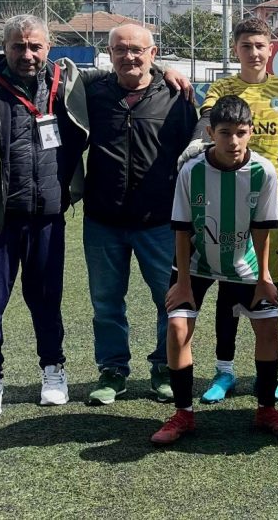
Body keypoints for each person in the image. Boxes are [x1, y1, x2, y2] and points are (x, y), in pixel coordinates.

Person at [0, 15, 89, 416]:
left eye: (35, 46)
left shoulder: (67, 81)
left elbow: (126, 66)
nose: (27, 54)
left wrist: (166, 68)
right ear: (4, 48)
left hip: (47, 217)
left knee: (47, 300)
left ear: (48, 48)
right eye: (18, 46)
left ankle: (52, 368)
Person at [151, 95, 278, 445]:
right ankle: (183, 413)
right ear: (209, 132)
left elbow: (264, 229)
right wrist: (183, 281)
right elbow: (182, 229)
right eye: (225, 132)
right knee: (177, 325)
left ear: (250, 133)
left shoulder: (263, 171)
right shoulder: (192, 170)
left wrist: (264, 278)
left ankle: (265, 408)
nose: (233, 141)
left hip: (243, 261)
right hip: (197, 261)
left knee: (267, 327)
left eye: (241, 132)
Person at [189, 17, 278, 405]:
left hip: (274, 199)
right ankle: (224, 371)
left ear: (271, 48)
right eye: (246, 46)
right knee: (228, 284)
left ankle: (265, 374)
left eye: (260, 45)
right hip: (224, 198)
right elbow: (205, 124)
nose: (254, 53)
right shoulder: (222, 89)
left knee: (266, 285)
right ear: (235, 50)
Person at [84, 24, 198, 405]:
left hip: (160, 220)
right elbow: (59, 71)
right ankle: (112, 370)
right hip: (103, 220)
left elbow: (194, 154)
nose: (129, 56)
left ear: (154, 52)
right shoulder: (92, 93)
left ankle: (164, 367)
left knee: (169, 299)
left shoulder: (176, 94)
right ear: (109, 53)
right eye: (120, 50)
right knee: (106, 301)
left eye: (138, 50)